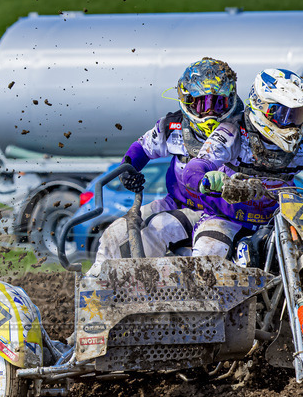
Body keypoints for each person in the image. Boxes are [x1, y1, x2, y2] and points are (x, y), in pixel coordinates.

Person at [87, 57, 245, 275]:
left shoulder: (243, 131)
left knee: (156, 230)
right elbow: (142, 148)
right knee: (116, 233)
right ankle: (96, 285)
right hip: (176, 201)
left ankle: (139, 286)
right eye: (201, 103)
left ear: (231, 100)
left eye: (218, 104)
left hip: (218, 211)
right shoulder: (171, 126)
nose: (210, 113)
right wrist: (129, 170)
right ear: (186, 101)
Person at [181, 67, 303, 263]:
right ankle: (201, 293)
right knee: (208, 254)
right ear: (262, 107)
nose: (292, 125)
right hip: (226, 218)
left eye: (298, 115)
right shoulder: (233, 131)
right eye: (285, 114)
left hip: (279, 220)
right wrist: (207, 178)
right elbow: (198, 164)